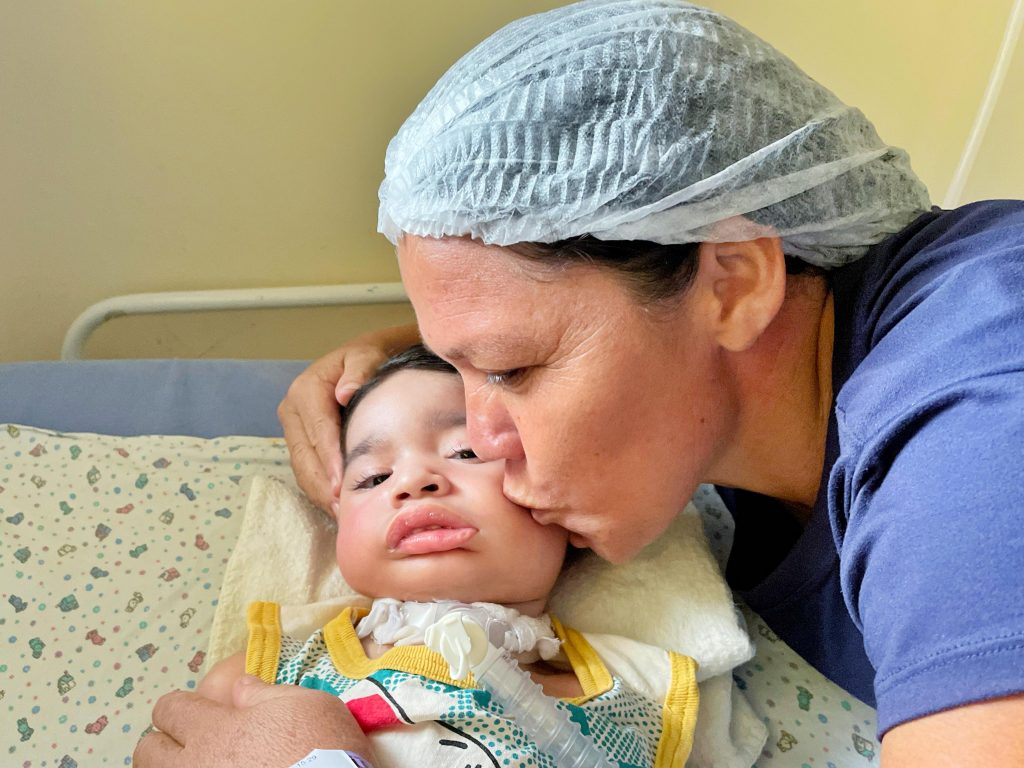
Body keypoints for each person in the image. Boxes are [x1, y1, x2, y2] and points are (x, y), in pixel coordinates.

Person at [136, 1, 1024, 765]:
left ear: (739, 281)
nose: (482, 440)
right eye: (462, 372)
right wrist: (409, 360)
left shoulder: (978, 441)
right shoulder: (774, 362)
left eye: (511, 370)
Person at [191, 346, 700, 768]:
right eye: (373, 477)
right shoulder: (263, 681)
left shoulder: (637, 705)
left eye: (466, 452)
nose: (414, 481)